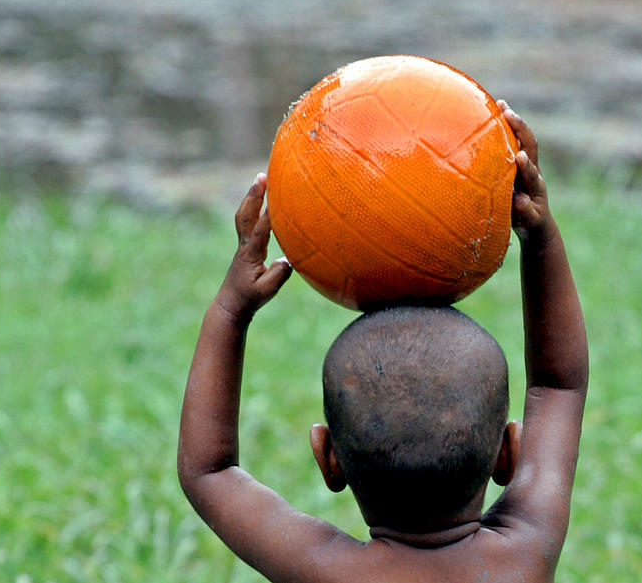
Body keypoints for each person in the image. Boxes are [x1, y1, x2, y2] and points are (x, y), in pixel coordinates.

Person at [178, 102, 589, 582]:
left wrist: (231, 310)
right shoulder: (523, 555)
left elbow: (209, 473)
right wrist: (538, 235)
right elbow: (558, 386)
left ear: (330, 459)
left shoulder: (327, 571)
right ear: (508, 452)